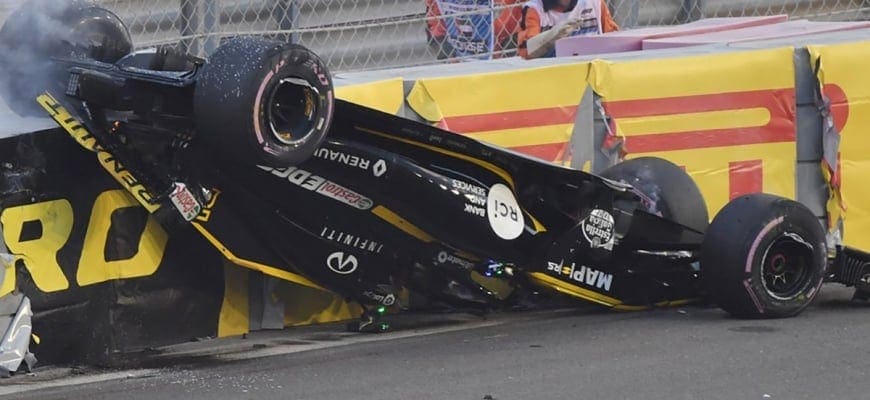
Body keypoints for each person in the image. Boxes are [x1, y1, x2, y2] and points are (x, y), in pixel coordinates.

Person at [517, 0, 619, 59]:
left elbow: (613, 40)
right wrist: (551, 37)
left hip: (593, 72)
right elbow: (526, 54)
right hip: (553, 76)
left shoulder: (593, 3)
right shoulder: (534, 9)